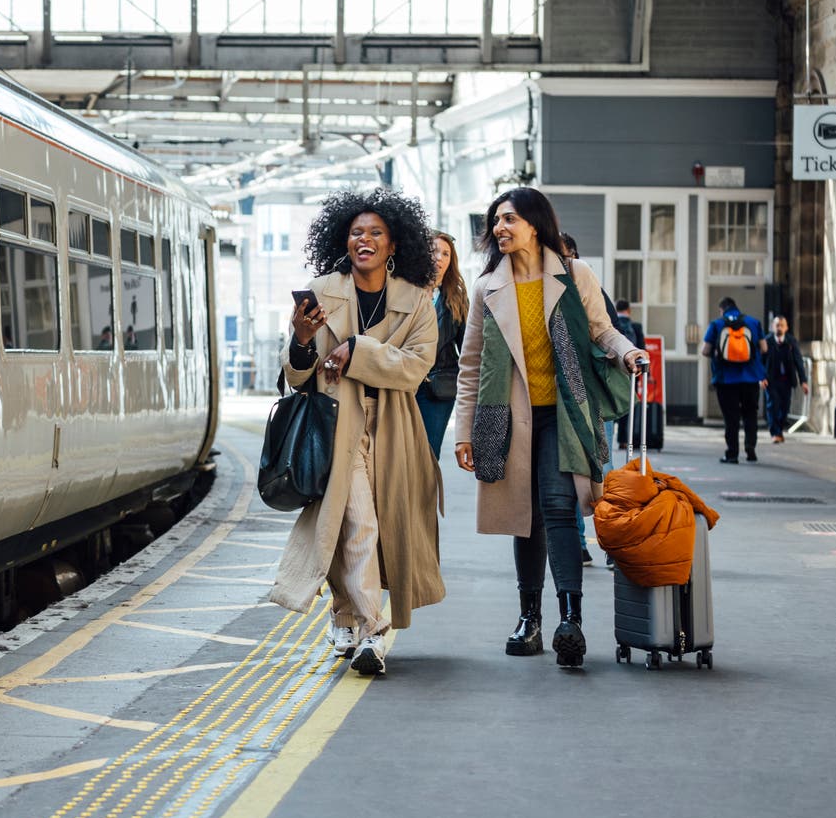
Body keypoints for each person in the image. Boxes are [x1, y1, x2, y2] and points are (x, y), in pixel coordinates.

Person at [453, 188, 645, 669]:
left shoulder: (575, 274)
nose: (500, 227)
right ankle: (529, 618)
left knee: (559, 505)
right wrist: (463, 431)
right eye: (495, 220)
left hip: (564, 411)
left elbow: (602, 330)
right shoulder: (486, 287)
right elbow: (471, 364)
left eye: (509, 218)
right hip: (508, 415)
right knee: (525, 514)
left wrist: (628, 353)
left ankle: (570, 620)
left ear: (535, 225)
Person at [274, 188, 445, 677]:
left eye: (375, 233)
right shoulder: (322, 289)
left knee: (373, 528)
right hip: (335, 425)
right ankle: (372, 631)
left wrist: (357, 351)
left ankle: (345, 614)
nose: (363, 240)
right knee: (356, 522)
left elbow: (416, 368)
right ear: (343, 241)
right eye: (355, 233)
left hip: (394, 429)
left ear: (394, 246)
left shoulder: (417, 301)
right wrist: (303, 341)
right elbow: (297, 375)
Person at [559, 234, 617, 567]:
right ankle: (579, 542)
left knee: (602, 470)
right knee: (571, 472)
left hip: (594, 394)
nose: (564, 262)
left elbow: (610, 332)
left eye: (569, 256)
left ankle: (611, 540)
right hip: (564, 399)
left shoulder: (590, 287)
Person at [415, 231, 467, 460]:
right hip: (406, 384)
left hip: (439, 388)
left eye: (446, 253)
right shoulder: (407, 292)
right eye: (434, 251)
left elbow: (468, 350)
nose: (439, 258)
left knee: (427, 455)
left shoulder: (456, 299)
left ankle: (425, 497)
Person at [700, 297, 767, 464]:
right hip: (751, 378)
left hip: (725, 379)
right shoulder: (753, 322)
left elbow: (705, 350)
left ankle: (732, 454)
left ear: (722, 310)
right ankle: (750, 448)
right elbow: (764, 348)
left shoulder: (716, 324)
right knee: (750, 414)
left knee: (731, 418)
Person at [764, 314, 809, 443]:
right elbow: (761, 361)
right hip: (771, 380)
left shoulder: (791, 341)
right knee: (772, 405)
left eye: (782, 325)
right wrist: (761, 377)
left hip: (786, 380)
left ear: (786, 327)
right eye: (777, 325)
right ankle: (775, 433)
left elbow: (798, 361)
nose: (779, 328)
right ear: (773, 327)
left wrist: (803, 381)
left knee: (784, 406)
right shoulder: (767, 341)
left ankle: (779, 430)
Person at [611, 299, 646, 448]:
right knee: (628, 404)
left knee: (611, 402)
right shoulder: (636, 327)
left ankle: (608, 437)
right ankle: (624, 440)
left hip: (614, 371)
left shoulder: (612, 325)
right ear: (629, 310)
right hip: (632, 371)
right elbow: (642, 350)